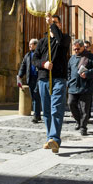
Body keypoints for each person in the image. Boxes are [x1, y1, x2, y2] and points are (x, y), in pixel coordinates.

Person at [32, 13, 71, 153]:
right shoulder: (42, 42)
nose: (52, 24)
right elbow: (34, 60)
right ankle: (50, 138)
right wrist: (43, 64)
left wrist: (51, 24)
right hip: (43, 79)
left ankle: (55, 138)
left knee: (56, 109)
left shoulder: (65, 38)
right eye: (51, 22)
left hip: (59, 79)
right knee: (47, 111)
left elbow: (60, 41)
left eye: (56, 22)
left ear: (59, 25)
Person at [68, 39, 93, 136]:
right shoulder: (72, 58)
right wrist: (68, 81)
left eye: (77, 49)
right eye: (74, 49)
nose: (76, 51)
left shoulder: (91, 57)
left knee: (85, 109)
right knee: (71, 104)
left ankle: (83, 127)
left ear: (82, 47)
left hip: (85, 87)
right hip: (73, 86)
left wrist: (88, 73)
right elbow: (68, 70)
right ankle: (79, 121)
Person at [18, 38, 42, 123]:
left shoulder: (40, 53)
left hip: (39, 78)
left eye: (31, 44)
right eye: (29, 45)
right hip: (31, 78)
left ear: (36, 45)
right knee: (34, 97)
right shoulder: (27, 55)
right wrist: (20, 75)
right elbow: (23, 66)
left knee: (36, 96)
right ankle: (38, 114)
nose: (29, 46)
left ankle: (36, 115)